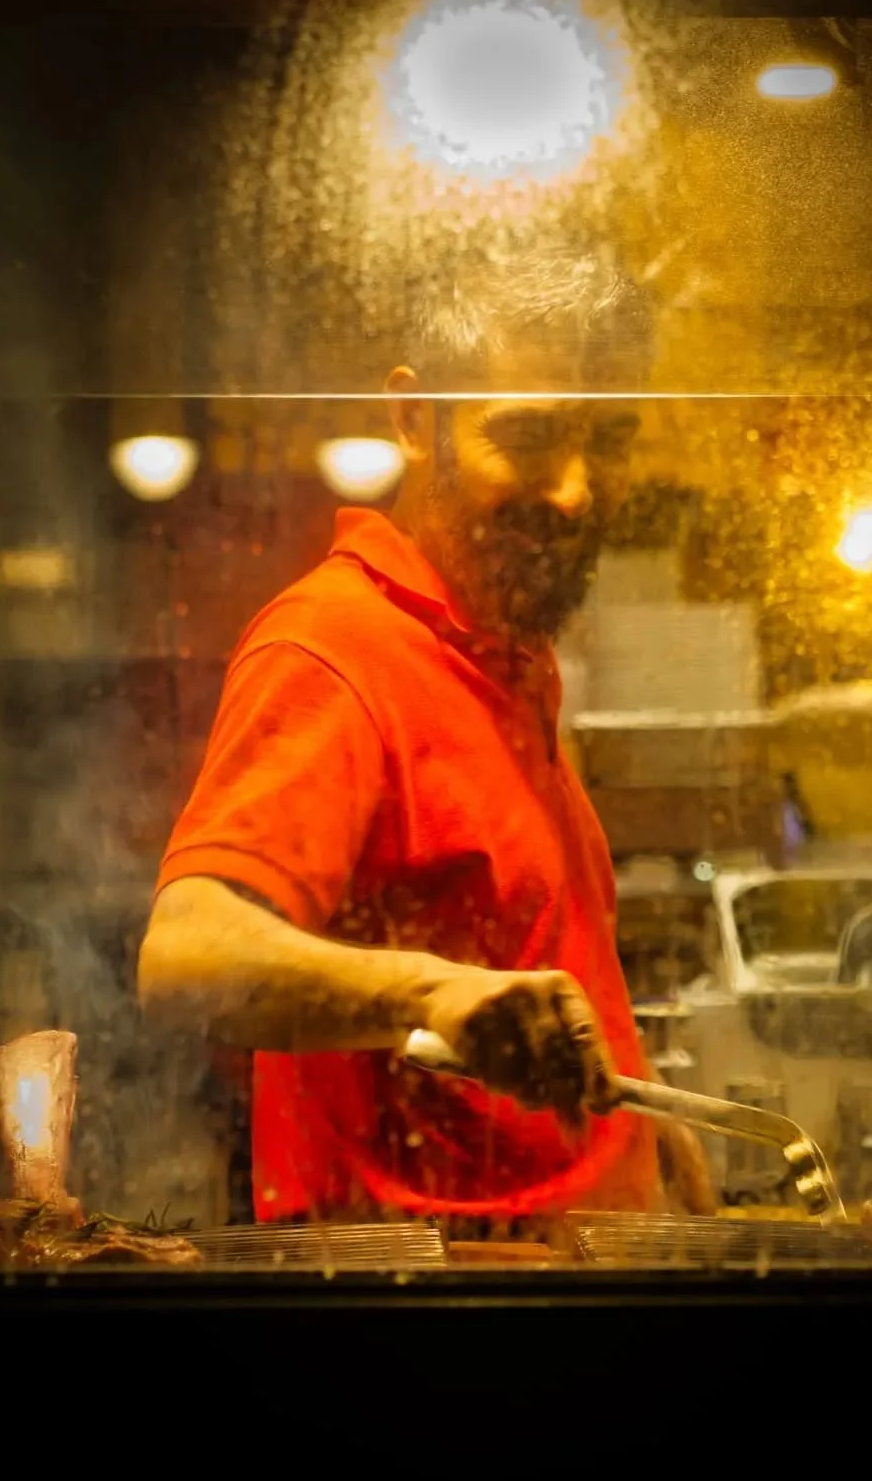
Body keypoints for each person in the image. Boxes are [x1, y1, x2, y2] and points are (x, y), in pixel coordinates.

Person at [137, 244, 716, 1230]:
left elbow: (513, 948)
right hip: (421, 1292)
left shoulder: (506, 650)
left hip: (565, 1274)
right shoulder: (336, 648)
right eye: (529, 437)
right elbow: (185, 958)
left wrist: (634, 1112)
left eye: (610, 440)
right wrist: (431, 992)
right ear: (415, 419)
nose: (576, 490)